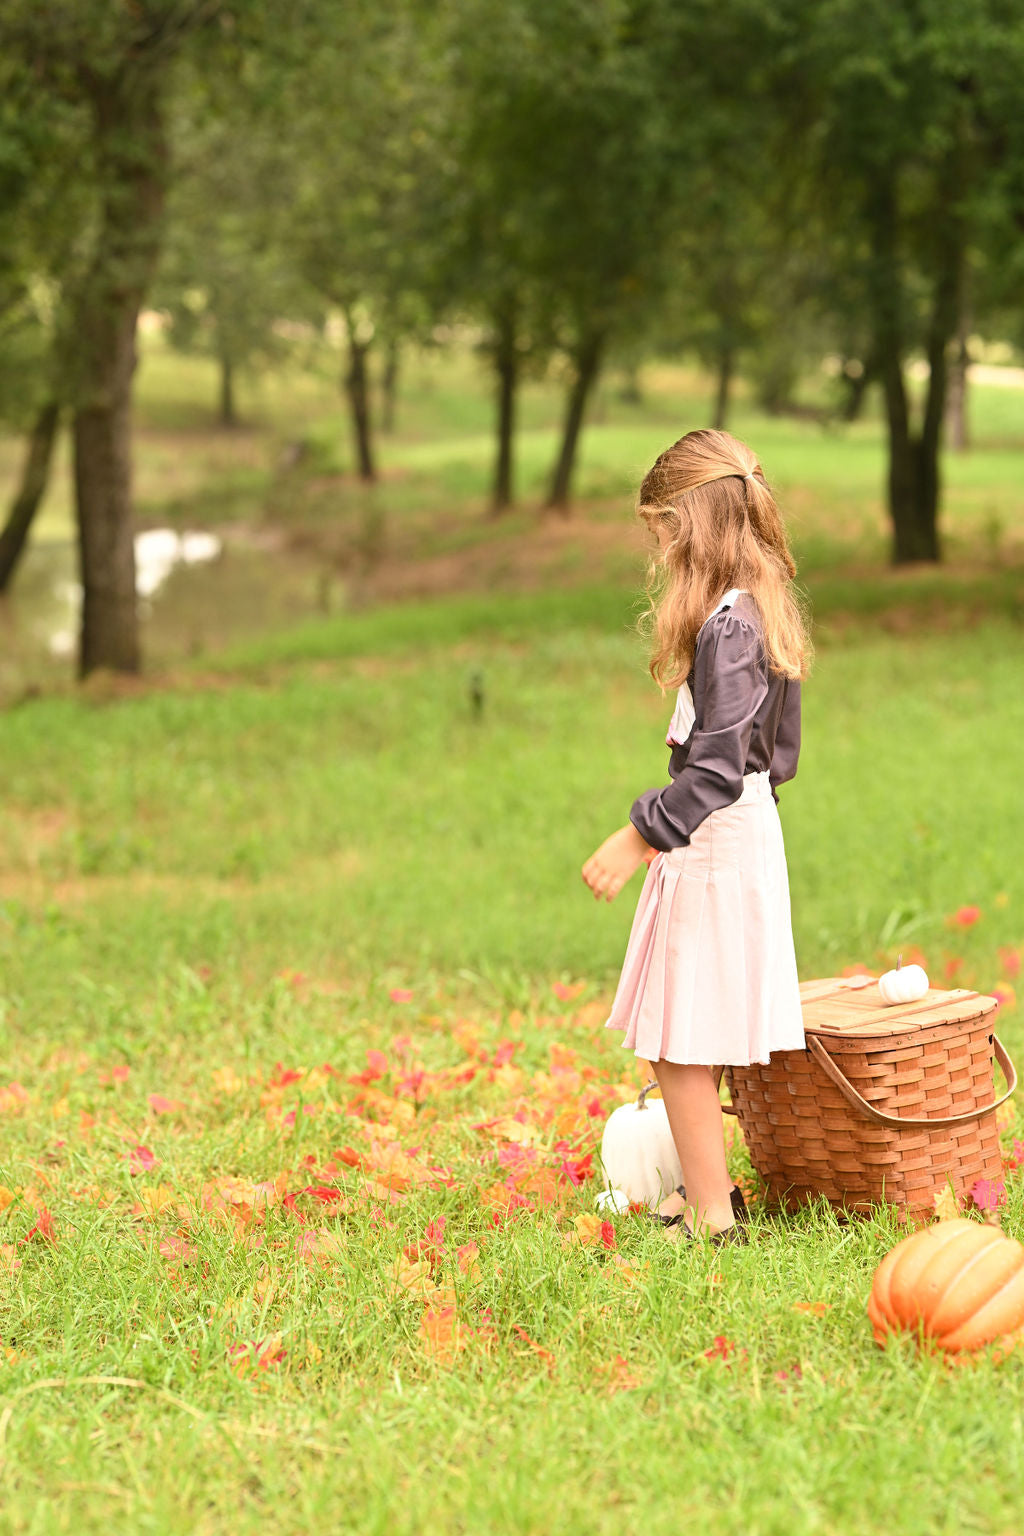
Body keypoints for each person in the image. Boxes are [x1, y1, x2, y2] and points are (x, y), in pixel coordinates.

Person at [581, 428, 812, 1245]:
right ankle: (703, 1191)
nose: (662, 555)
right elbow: (774, 758)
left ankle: (714, 1217)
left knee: (680, 1042)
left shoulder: (731, 629)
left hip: (710, 840)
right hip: (734, 837)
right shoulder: (755, 609)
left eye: (665, 534)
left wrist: (639, 835)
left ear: (695, 525)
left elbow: (714, 771)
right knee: (690, 1034)